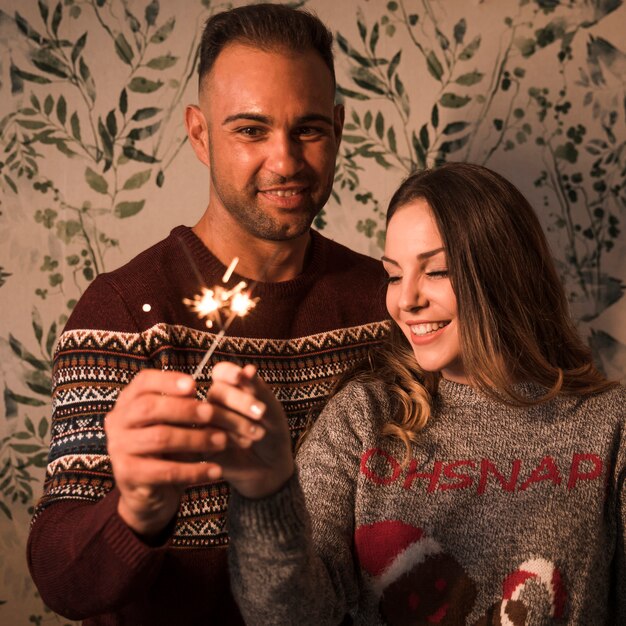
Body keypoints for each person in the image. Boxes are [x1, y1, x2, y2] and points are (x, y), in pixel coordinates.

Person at [27, 4, 389, 624]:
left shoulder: (389, 302)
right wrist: (137, 509)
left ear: (338, 126)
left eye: (308, 130)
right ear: (199, 134)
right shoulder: (125, 314)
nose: (285, 161)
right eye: (250, 130)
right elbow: (63, 583)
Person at [209, 162, 625, 624]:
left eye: (437, 271)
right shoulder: (364, 417)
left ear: (506, 272)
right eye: (392, 274)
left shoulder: (612, 425)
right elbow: (287, 616)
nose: (405, 300)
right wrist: (266, 496)